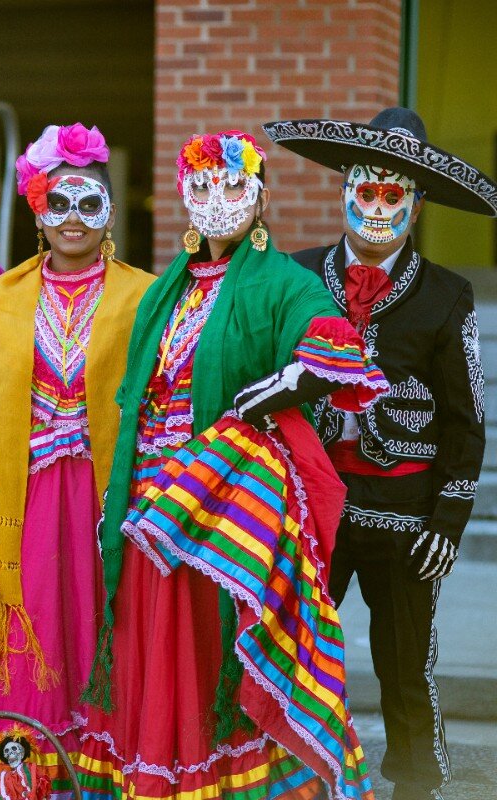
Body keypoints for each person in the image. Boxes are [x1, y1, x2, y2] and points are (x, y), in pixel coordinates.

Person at [90, 131, 388, 799]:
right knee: (159, 649)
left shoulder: (285, 282)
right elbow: (138, 394)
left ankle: (232, 780)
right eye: (201, 187)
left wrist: (273, 393)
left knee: (213, 647)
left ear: (260, 197)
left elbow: (330, 351)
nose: (216, 200)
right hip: (151, 501)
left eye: (232, 186)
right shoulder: (168, 286)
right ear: (182, 196)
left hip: (226, 509)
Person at [265, 108, 496, 800]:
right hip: (312, 510)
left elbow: (466, 421)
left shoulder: (449, 297)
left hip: (405, 518)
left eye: (393, 196)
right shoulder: (298, 276)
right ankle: (290, 777)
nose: (376, 208)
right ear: (343, 190)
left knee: (405, 668)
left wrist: (448, 522)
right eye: (365, 192)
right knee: (295, 653)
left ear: (417, 207)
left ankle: (416, 787)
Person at [0, 122, 152, 800]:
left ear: (109, 212)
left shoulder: (144, 295)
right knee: (31, 633)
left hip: (105, 495)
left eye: (89, 204)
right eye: (60, 203)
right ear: (37, 209)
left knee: (95, 620)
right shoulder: (0, 298)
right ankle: (19, 777)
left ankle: (99, 771)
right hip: (19, 499)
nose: (74, 219)